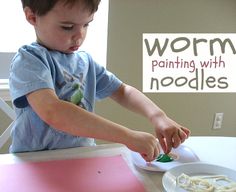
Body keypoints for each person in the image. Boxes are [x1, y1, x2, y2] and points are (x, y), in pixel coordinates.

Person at [9, 0, 190, 162]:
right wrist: (128, 136)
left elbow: (123, 91)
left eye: (86, 24)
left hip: (81, 157)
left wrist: (158, 116)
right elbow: (53, 111)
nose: (79, 36)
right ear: (32, 17)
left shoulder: (85, 61)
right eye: (67, 27)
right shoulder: (29, 60)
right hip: (34, 162)